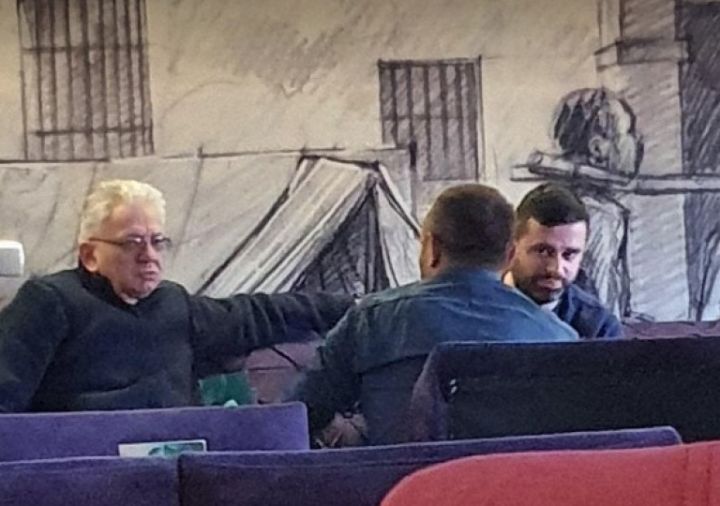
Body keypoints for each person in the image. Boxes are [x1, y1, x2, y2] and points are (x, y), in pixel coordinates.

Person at [0, 179, 353, 412]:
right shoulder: (49, 301)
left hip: (172, 467)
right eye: (132, 243)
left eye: (157, 241)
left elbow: (257, 314)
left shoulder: (173, 303)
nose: (149, 255)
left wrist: (356, 309)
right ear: (90, 255)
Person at [290, 183, 578, 445]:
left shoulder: (371, 320)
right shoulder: (560, 338)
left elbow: (297, 413)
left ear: (432, 247)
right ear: (510, 255)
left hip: (398, 484)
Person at [505, 182, 623, 338]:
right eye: (543, 252)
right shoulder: (476, 306)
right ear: (512, 246)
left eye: (569, 254)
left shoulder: (600, 328)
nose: (556, 269)